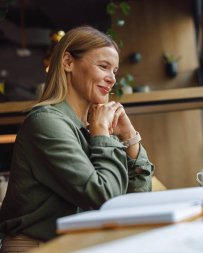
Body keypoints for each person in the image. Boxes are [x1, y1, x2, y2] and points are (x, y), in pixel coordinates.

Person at [0, 26, 154, 252]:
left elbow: (134, 203)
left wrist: (130, 137)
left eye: (115, 71)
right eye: (103, 66)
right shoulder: (46, 123)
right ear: (67, 62)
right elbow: (105, 198)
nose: (112, 79)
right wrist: (102, 134)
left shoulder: (89, 126)